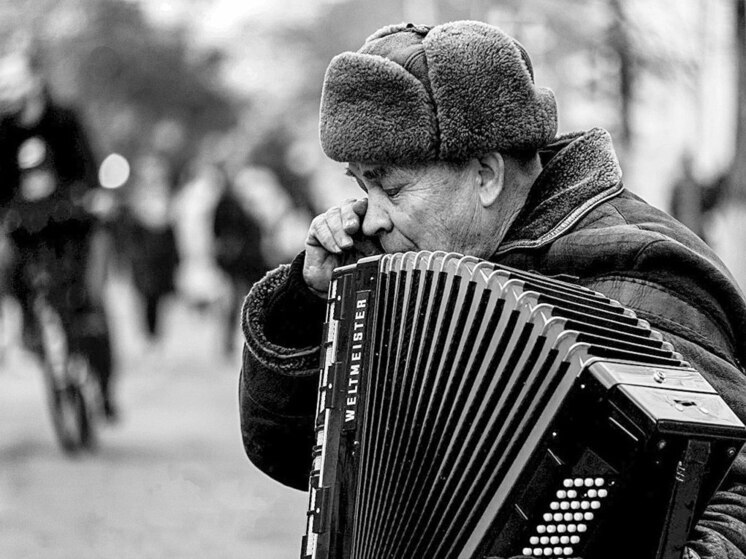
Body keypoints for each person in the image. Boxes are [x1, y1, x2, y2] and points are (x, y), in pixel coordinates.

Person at [238, 21, 746, 559]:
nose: (371, 217)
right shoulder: (414, 272)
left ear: (486, 175)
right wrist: (309, 302)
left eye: (391, 187)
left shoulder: (640, 271)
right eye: (361, 186)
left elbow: (732, 487)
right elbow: (294, 454)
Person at [0, 48, 118, 420]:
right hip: (27, 229)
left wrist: (94, 197)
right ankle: (27, 329)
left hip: (73, 224)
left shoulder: (65, 119)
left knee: (93, 301)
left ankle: (104, 383)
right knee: (10, 269)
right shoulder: (4, 130)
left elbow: (89, 166)